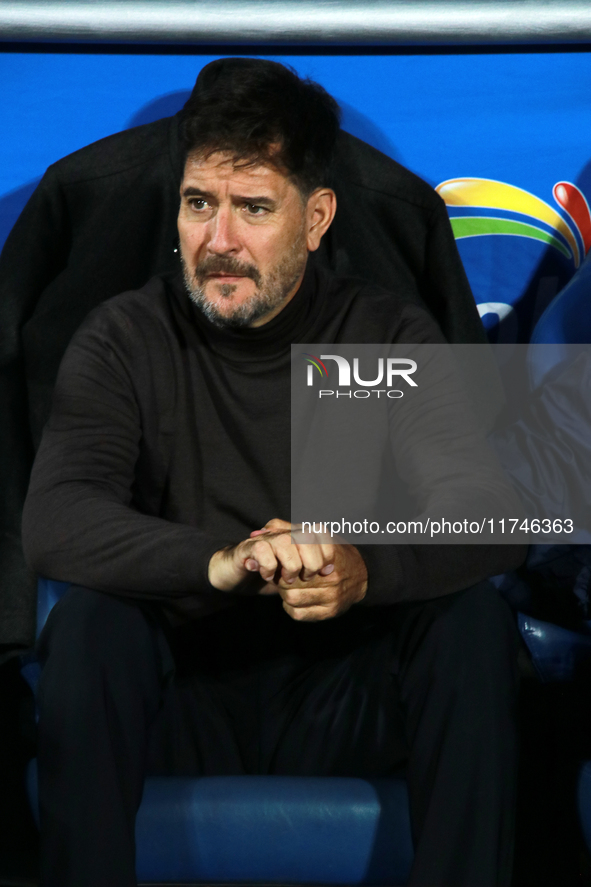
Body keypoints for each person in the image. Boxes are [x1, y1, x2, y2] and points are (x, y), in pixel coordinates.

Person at [22, 58, 525, 887]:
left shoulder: (383, 334)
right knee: (87, 630)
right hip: (180, 690)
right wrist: (218, 561)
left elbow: (484, 508)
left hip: (344, 694)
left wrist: (362, 569)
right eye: (197, 205)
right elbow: (57, 518)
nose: (218, 241)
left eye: (253, 208)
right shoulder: (124, 336)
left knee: (470, 627)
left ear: (317, 217)